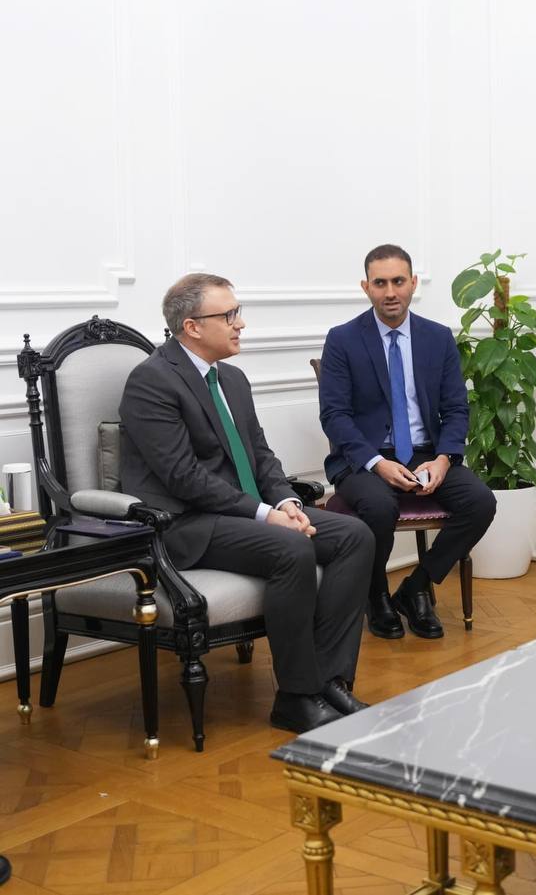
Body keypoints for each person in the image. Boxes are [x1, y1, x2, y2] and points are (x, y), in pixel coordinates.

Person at [119, 274, 375, 733]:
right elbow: (183, 476)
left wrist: (287, 501)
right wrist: (266, 515)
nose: (241, 324)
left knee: (354, 535)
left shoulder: (232, 379)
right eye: (229, 315)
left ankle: (330, 681)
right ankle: (296, 698)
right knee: (291, 546)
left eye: (237, 313)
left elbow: (259, 455)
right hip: (186, 524)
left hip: (241, 514)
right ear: (193, 326)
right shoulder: (151, 381)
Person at [319, 244, 496, 639]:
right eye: (380, 283)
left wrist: (444, 458)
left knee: (481, 501)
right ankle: (376, 595)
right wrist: (376, 464)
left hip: (426, 454)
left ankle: (416, 588)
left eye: (398, 281)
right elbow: (334, 416)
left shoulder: (437, 338)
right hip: (364, 459)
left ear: (413, 283)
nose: (390, 292)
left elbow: (456, 408)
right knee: (379, 506)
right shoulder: (343, 339)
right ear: (365, 287)